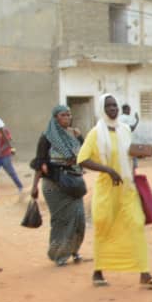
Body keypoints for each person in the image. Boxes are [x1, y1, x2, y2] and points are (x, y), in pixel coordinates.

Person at [77, 93, 152, 288]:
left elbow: (128, 154)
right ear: (102, 109)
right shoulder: (95, 133)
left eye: (114, 106)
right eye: (108, 106)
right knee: (104, 227)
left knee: (136, 224)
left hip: (127, 188)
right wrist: (107, 170)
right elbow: (82, 158)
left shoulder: (125, 129)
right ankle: (98, 272)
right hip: (107, 190)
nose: (113, 109)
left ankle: (144, 273)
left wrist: (140, 154)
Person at [29, 105, 87, 266]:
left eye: (69, 114)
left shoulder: (74, 135)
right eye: (63, 115)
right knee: (61, 220)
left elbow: (85, 154)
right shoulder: (47, 137)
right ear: (56, 118)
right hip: (54, 185)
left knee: (79, 219)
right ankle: (59, 255)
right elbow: (40, 163)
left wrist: (81, 137)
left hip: (74, 184)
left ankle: (74, 251)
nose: (68, 117)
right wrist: (34, 187)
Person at [0, 127, 25, 193]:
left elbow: (8, 142)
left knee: (11, 173)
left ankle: (20, 187)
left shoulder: (4, 130)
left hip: (5, 156)